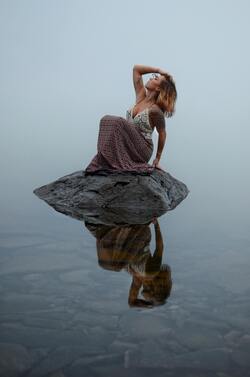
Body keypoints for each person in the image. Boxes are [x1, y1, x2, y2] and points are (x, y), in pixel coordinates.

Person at [85, 64, 177, 174]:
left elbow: (162, 134)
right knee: (105, 119)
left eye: (155, 78)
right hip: (128, 143)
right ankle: (104, 159)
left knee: (117, 122)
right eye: (153, 76)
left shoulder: (155, 110)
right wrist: (158, 70)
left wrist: (157, 159)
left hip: (143, 147)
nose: (151, 77)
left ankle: (113, 161)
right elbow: (136, 69)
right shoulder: (141, 96)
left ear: (158, 88)